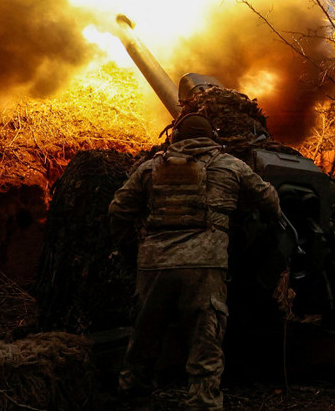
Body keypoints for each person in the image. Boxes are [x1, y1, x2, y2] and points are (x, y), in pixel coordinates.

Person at [109, 112, 283, 410]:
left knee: (145, 336)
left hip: (155, 265)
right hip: (205, 266)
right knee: (205, 342)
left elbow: (118, 210)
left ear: (175, 138)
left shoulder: (150, 168)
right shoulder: (231, 167)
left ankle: (133, 394)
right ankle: (203, 401)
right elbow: (270, 201)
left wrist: (130, 249)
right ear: (211, 138)